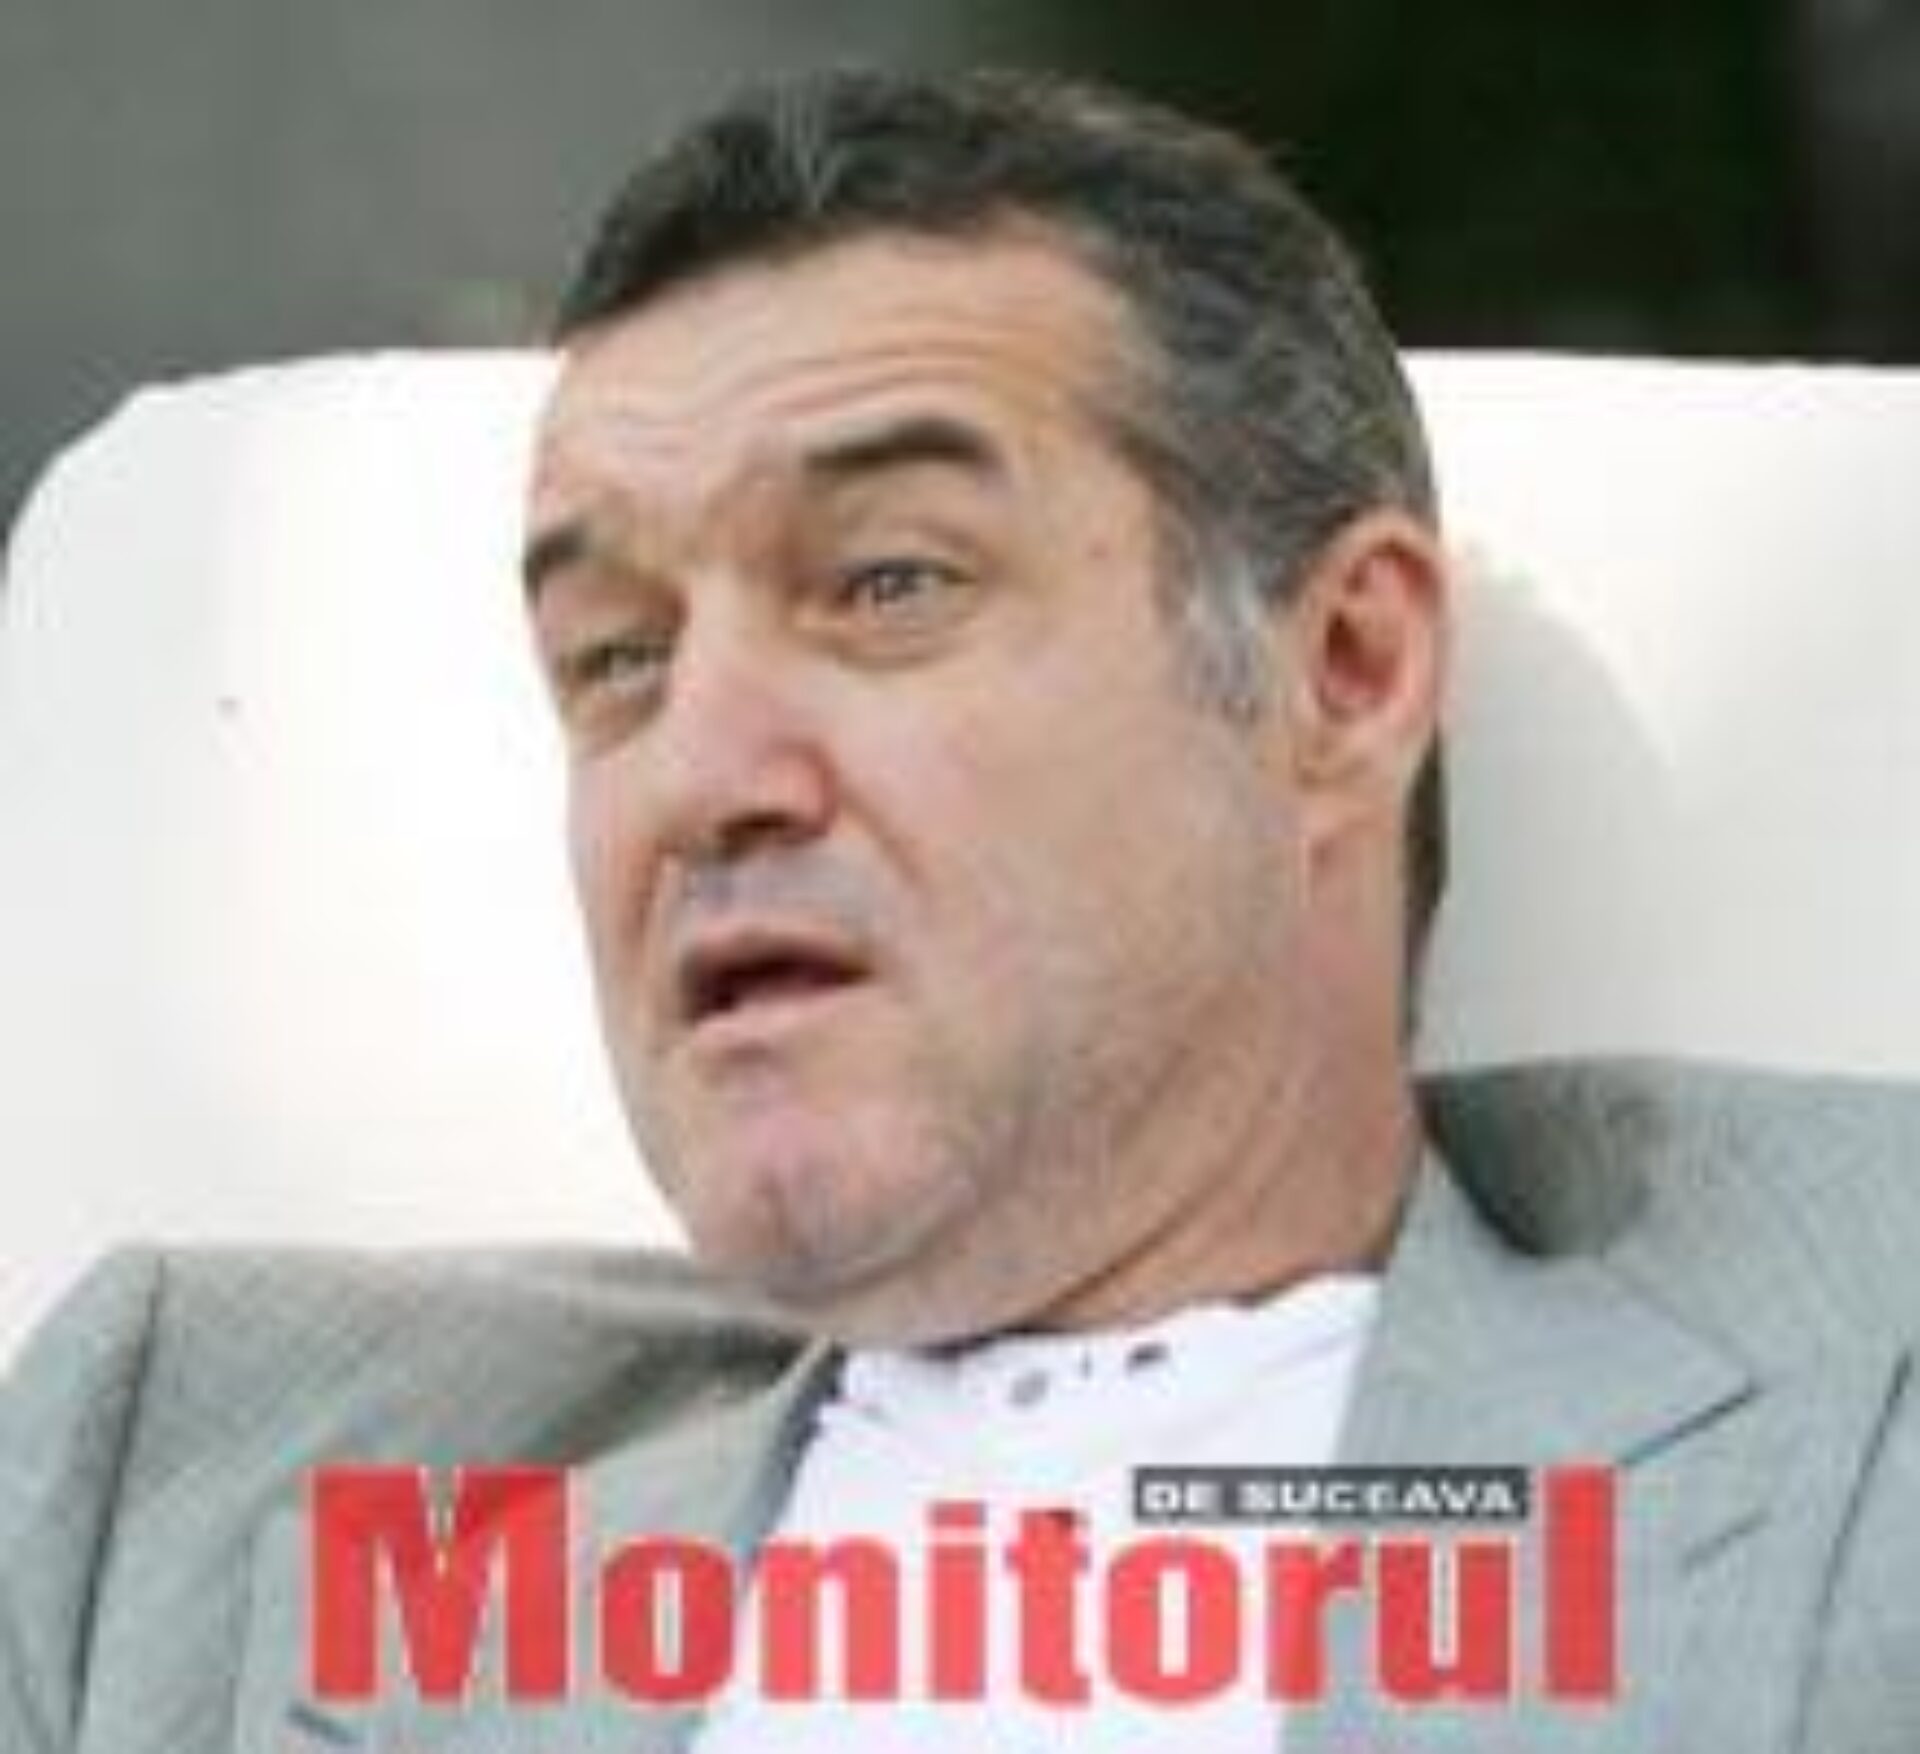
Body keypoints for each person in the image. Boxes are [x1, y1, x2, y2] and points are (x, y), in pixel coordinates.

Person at [3, 66, 1917, 1754]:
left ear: (1341, 673)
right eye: (617, 656)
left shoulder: (1858, 1372)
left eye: (888, 583)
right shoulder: (180, 1479)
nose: (695, 776)